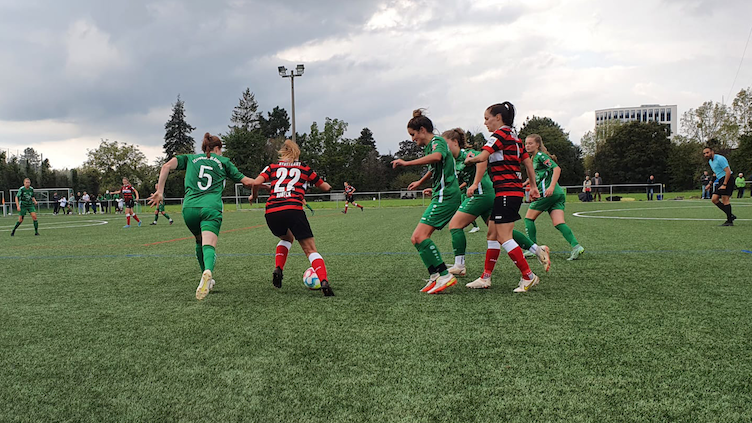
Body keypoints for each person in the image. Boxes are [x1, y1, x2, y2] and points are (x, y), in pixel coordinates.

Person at [150, 132, 255, 300]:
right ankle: (208, 272)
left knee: (199, 241)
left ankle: (206, 278)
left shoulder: (190, 158)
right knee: (209, 245)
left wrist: (160, 191)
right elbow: (248, 182)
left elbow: (165, 167)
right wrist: (267, 186)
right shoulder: (223, 161)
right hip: (211, 207)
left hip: (189, 208)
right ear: (218, 148)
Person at [442, 128, 549, 283]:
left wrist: (475, 184)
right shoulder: (454, 160)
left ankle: (460, 265)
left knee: (455, 225)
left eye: (446, 144)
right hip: (491, 194)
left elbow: (482, 161)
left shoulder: (467, 154)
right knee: (499, 234)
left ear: (455, 142)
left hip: (483, 194)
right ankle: (536, 250)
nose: (444, 149)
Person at [465, 102, 542, 293]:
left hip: (507, 191)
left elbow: (483, 156)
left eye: (487, 118)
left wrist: (469, 159)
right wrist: (532, 186)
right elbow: (528, 164)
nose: (485, 123)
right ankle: (485, 277)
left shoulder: (499, 135)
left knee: (503, 236)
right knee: (492, 234)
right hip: (510, 192)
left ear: (498, 117)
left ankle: (528, 276)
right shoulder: (515, 139)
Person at [250, 139, 335, 297]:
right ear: (297, 154)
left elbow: (255, 183)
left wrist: (253, 196)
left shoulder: (272, 167)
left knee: (287, 238)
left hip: (272, 210)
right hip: (294, 209)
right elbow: (325, 187)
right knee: (310, 249)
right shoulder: (304, 168)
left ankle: (279, 268)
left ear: (282, 153)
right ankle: (323, 281)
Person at [391, 109, 462, 294]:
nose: (413, 139)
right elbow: (435, 166)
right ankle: (435, 276)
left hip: (446, 196)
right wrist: (421, 182)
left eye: (413, 135)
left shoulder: (437, 141)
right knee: (416, 238)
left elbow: (438, 157)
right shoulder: (431, 145)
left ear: (422, 130)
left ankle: (445, 275)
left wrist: (406, 163)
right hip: (441, 194)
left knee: (420, 236)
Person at [523, 134, 585, 261]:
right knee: (558, 222)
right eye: (526, 143)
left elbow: (556, 169)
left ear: (537, 145)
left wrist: (551, 187)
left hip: (548, 193)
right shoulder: (533, 158)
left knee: (528, 219)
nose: (527, 145)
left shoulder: (540, 156)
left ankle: (532, 248)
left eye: (530, 143)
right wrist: (525, 183)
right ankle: (576, 246)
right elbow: (538, 175)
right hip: (557, 194)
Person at [703, 146, 736, 226]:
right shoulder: (711, 162)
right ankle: (730, 215)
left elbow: (728, 171)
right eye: (704, 153)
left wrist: (725, 184)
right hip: (721, 180)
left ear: (712, 152)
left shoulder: (720, 159)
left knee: (725, 199)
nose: (706, 155)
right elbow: (715, 173)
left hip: (727, 179)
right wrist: (710, 184)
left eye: (707, 152)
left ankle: (729, 221)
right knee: (714, 199)